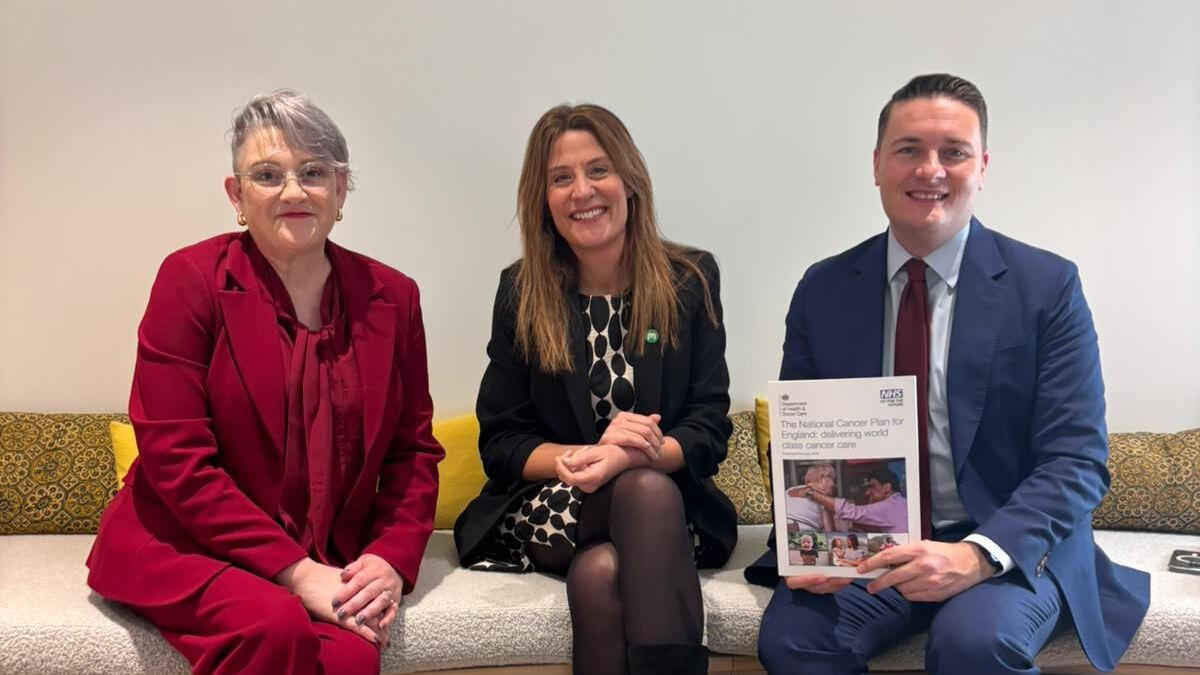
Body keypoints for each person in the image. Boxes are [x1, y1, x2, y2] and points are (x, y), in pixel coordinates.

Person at [749, 74, 1149, 674]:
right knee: (794, 643)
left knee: (974, 644)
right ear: (877, 164)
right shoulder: (823, 288)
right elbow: (801, 441)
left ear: (982, 167)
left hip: (998, 541)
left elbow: (1076, 460)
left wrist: (978, 555)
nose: (930, 169)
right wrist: (820, 547)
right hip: (865, 543)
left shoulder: (1047, 287)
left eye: (954, 152)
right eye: (908, 149)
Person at [86, 90, 444, 674]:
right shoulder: (189, 280)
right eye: (268, 175)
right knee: (273, 626)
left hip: (328, 551)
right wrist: (297, 573)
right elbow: (176, 459)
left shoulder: (394, 297)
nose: (294, 191)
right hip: (183, 542)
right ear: (237, 196)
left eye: (314, 172)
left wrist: (389, 557)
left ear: (341, 190)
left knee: (353, 657)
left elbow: (413, 452)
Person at [453, 103, 737, 675]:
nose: (582, 191)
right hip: (555, 504)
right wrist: (592, 458)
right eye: (561, 178)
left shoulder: (690, 280)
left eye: (598, 170)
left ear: (629, 180)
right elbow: (502, 442)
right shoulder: (521, 292)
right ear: (544, 199)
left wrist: (631, 456)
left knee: (603, 569)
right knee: (644, 493)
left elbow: (708, 427)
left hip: (667, 505)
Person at [791, 466, 908, 533]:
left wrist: (812, 494)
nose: (867, 492)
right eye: (833, 480)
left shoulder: (891, 506)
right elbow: (830, 532)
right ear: (821, 479)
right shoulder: (899, 503)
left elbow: (851, 512)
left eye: (872, 487)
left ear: (887, 487)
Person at [784, 462, 837, 531]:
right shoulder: (821, 496)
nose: (834, 484)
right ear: (821, 479)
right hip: (801, 532)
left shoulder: (790, 489)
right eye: (832, 479)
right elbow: (830, 531)